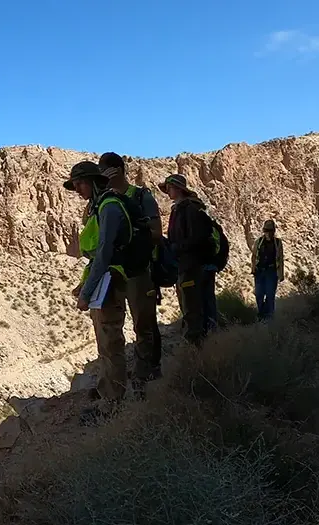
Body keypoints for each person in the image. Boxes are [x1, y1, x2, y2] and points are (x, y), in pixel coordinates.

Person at [65, 161, 148, 424]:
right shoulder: (101, 206)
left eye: (79, 183)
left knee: (110, 339)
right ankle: (106, 389)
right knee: (104, 337)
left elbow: (104, 254)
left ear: (93, 180)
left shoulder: (110, 206)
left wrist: (86, 292)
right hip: (105, 279)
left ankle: (114, 404)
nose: (77, 189)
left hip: (110, 280)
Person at [98, 152, 163, 387]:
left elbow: (157, 234)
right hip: (114, 274)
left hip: (138, 272)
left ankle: (145, 378)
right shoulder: (105, 200)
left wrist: (133, 232)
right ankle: (117, 386)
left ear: (117, 170)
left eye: (106, 171)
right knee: (111, 333)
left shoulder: (140, 196)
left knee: (143, 325)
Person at [158, 174, 215, 347]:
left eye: (169, 187)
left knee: (192, 307)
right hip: (184, 265)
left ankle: (196, 349)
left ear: (178, 189)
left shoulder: (188, 209)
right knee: (190, 305)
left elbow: (196, 237)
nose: (167, 191)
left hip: (190, 265)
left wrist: (177, 248)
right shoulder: (180, 209)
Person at [251, 219, 284, 320]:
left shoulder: (278, 243)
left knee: (270, 295)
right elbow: (254, 256)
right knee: (259, 294)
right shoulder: (259, 242)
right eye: (266, 230)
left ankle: (269, 318)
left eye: (270, 231)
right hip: (260, 271)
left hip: (271, 272)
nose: (268, 233)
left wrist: (281, 274)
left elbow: (280, 259)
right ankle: (261, 314)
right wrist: (253, 269)